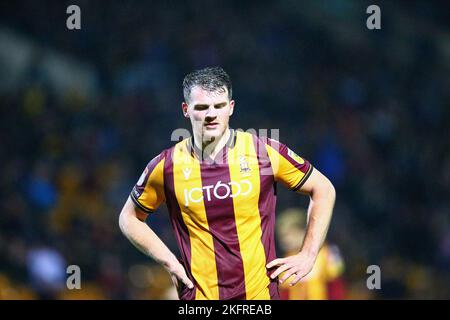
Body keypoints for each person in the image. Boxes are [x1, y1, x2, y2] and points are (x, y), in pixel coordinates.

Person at [119, 67, 336, 300]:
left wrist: (309, 254)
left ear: (231, 107)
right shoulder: (166, 166)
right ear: (186, 110)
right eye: (202, 107)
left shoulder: (263, 152)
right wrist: (169, 262)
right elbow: (129, 218)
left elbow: (323, 188)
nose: (212, 114)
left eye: (219, 106)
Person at [276, 208, 345, 300]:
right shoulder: (285, 261)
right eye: (281, 236)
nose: (284, 241)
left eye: (288, 235)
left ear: (303, 231)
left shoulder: (327, 253)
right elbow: (284, 293)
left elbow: (336, 286)